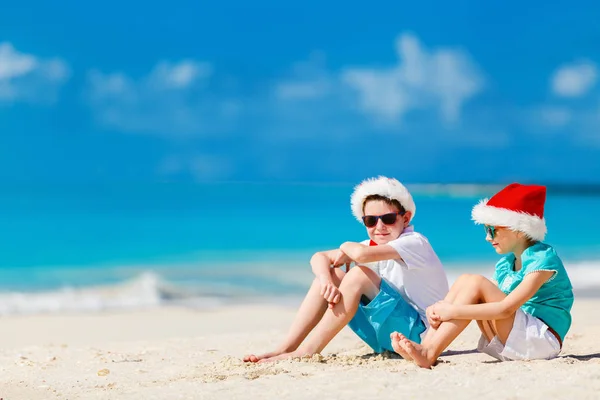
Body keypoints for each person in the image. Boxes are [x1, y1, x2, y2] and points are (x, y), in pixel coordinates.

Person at [243, 176, 449, 362]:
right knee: (333, 275)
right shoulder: (375, 246)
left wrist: (345, 247)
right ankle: (287, 347)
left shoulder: (414, 242)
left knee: (359, 275)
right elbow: (319, 257)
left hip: (421, 337)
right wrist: (326, 281)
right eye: (370, 221)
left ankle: (308, 350)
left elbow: (359, 255)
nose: (379, 227)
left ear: (405, 218)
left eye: (387, 219)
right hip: (390, 337)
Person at [391, 183, 574, 368]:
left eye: (492, 230)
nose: (488, 237)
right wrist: (440, 308)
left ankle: (428, 352)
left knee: (476, 282)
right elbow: (482, 298)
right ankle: (426, 347)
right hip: (515, 338)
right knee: (466, 280)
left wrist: (452, 311)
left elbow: (505, 309)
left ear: (518, 229)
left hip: (541, 341)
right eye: (486, 230)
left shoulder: (542, 259)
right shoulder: (506, 264)